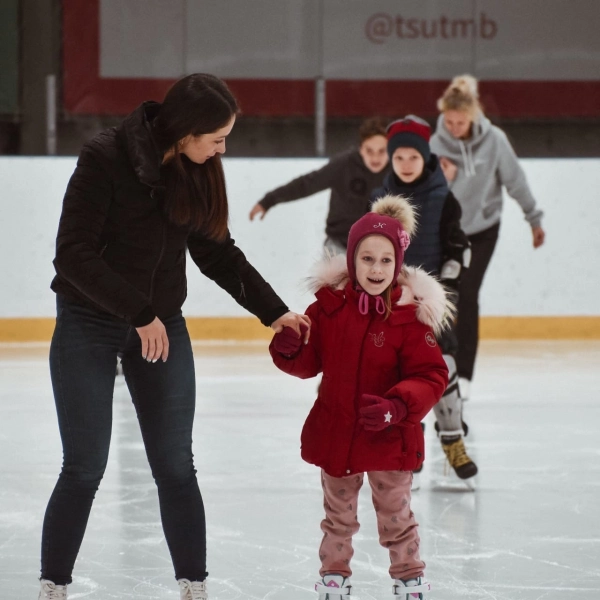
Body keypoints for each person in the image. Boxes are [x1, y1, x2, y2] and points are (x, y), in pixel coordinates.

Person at [40, 73, 310, 600]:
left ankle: (194, 586)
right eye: (217, 138)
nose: (222, 149)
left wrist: (274, 312)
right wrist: (139, 314)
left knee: (174, 464)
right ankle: (54, 587)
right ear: (185, 131)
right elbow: (71, 254)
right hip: (89, 321)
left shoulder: (198, 169)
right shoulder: (105, 158)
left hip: (161, 322)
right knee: (84, 465)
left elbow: (216, 251)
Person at [269, 195, 450, 599]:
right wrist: (288, 347)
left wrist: (398, 406)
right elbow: (306, 363)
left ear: (398, 264)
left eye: (386, 261)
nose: (376, 269)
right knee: (337, 517)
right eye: (367, 259)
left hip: (389, 437)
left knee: (396, 514)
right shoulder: (329, 309)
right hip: (338, 432)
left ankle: (408, 576)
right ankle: (334, 575)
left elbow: (432, 374)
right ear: (351, 260)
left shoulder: (408, 317)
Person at [371, 116, 477, 482]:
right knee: (398, 375)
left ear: (425, 157)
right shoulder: (380, 201)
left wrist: (445, 288)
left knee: (442, 365)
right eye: (398, 157)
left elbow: (458, 248)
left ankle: (452, 439)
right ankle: (409, 445)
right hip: (392, 302)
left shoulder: (444, 199)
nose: (405, 164)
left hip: (433, 303)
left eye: (412, 157)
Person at [430, 75, 545, 400]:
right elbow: (427, 193)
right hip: (448, 231)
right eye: (449, 122)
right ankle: (444, 364)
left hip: (483, 231)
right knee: (446, 294)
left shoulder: (494, 140)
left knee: (468, 292)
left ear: (473, 116)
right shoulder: (435, 145)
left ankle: (464, 373)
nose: (454, 127)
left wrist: (533, 218)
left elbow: (515, 180)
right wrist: (446, 179)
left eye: (460, 121)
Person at [248, 117, 390, 254]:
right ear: (360, 148)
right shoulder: (343, 166)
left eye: (381, 151)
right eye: (369, 151)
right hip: (340, 246)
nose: (375, 158)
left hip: (384, 250)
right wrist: (269, 200)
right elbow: (307, 184)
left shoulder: (399, 170)